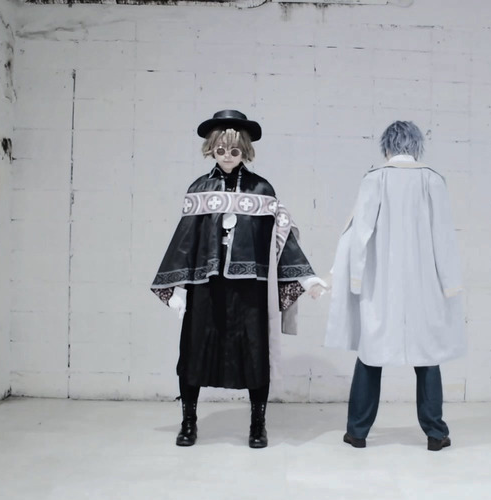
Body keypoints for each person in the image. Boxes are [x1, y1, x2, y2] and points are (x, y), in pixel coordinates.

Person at [150, 110, 326, 449]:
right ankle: (189, 422)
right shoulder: (200, 188)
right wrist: (176, 287)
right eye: (221, 149)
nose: (227, 156)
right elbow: (185, 238)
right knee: (194, 352)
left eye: (234, 150)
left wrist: (307, 278)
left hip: (250, 289)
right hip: (207, 286)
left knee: (255, 354)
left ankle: (258, 424)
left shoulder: (262, 189)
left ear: (244, 151)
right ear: (211, 149)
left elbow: (281, 237)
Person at [324, 120, 466, 451]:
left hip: (380, 283)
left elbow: (359, 234)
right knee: (428, 356)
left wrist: (355, 278)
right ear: (416, 146)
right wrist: (450, 284)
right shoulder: (433, 180)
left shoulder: (375, 179)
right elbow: (444, 236)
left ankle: (357, 432)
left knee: (370, 354)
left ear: (386, 147)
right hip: (424, 284)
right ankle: (435, 433)